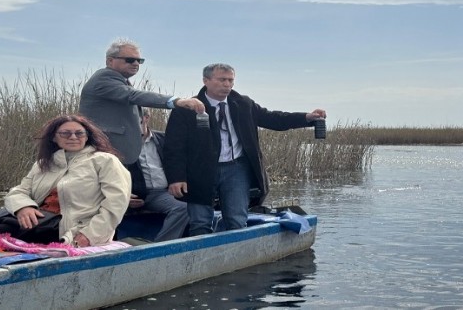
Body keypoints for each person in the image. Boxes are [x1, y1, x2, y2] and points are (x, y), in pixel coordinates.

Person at [163, 63, 326, 236]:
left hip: (236, 169)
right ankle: (200, 261)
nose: (227, 84)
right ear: (206, 81)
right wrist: (176, 178)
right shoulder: (187, 108)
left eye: (230, 80)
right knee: (200, 222)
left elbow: (273, 119)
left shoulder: (243, 104)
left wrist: (306, 118)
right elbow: (174, 146)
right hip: (200, 171)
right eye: (222, 80)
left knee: (237, 220)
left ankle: (236, 259)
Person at [0, 114, 131, 246]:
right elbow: (18, 191)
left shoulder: (105, 160)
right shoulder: (44, 164)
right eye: (65, 133)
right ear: (54, 138)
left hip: (75, 227)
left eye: (79, 133)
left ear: (87, 137)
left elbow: (116, 203)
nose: (73, 137)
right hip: (43, 220)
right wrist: (23, 207)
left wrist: (89, 235)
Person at [79, 37, 205, 166]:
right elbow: (133, 95)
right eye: (130, 60)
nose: (136, 63)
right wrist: (176, 101)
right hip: (104, 152)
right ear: (110, 61)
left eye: (139, 60)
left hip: (116, 153)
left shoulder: (120, 80)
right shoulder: (103, 78)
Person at [127, 108, 189, 241]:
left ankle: (161, 248)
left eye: (136, 121)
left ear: (146, 118)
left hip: (164, 192)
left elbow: (179, 162)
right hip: (135, 195)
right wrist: (124, 195)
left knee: (190, 206)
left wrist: (177, 180)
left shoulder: (164, 139)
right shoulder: (119, 144)